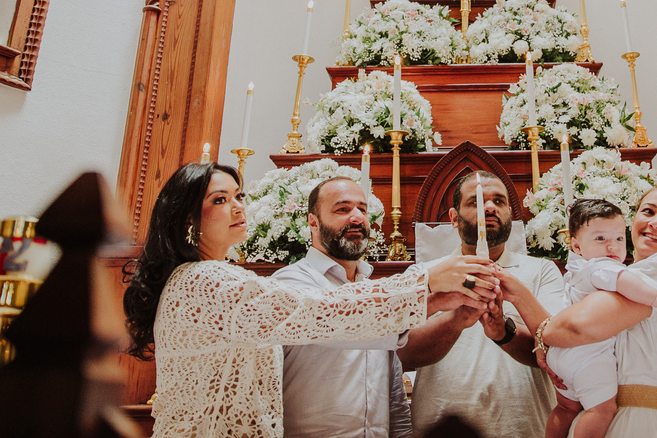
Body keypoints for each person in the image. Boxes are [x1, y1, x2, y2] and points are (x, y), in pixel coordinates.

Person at [122, 162, 495, 438]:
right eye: (220, 199)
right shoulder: (205, 282)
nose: (238, 207)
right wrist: (424, 280)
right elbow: (318, 312)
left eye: (239, 196)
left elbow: (347, 328)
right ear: (188, 219)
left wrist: (432, 300)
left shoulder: (222, 276)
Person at [498, 183, 657, 438]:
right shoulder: (622, 276)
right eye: (648, 211)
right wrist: (542, 340)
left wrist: (543, 337)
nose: (655, 222)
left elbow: (578, 326)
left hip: (643, 424)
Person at [404, 171, 565, 437]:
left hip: (522, 423)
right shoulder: (425, 274)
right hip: (441, 422)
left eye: (499, 202)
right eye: (476, 202)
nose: (489, 207)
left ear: (510, 216)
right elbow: (405, 354)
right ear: (454, 218)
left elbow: (556, 353)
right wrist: (455, 321)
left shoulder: (542, 271)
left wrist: (504, 331)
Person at [274, 176, 423, 438]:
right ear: (313, 222)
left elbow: (394, 396)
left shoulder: (375, 290)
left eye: (362, 210)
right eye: (342, 209)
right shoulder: (290, 283)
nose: (357, 218)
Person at [544, 199, 657, 438]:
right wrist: (655, 296)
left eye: (618, 239)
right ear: (576, 246)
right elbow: (626, 283)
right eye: (600, 239)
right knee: (602, 411)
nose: (612, 247)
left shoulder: (575, 272)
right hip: (588, 355)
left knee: (566, 407)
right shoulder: (603, 267)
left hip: (559, 354)